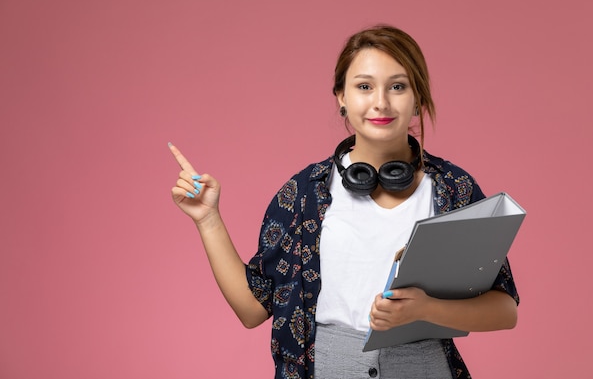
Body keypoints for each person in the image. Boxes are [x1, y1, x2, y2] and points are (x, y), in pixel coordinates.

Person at [169, 25, 519, 379]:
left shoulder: (452, 188)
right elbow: (252, 310)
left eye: (397, 86)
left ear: (418, 97)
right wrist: (208, 219)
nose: (380, 102)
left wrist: (426, 310)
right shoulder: (305, 193)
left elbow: (505, 310)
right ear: (341, 96)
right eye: (364, 86)